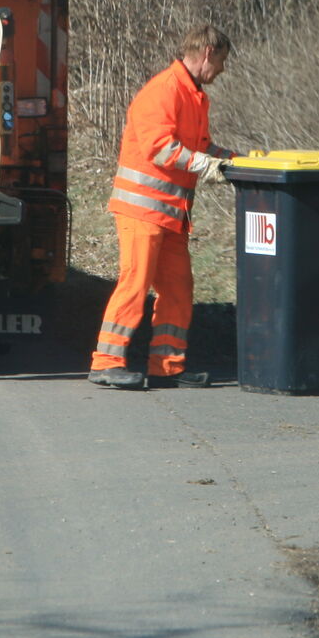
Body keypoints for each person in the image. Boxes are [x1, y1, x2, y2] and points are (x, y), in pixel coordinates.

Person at [89, 25, 236, 390]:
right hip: (143, 212)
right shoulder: (164, 90)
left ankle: (167, 366)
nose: (222, 69)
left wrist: (234, 162)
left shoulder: (193, 96)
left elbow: (200, 146)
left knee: (179, 289)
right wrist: (206, 166)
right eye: (221, 61)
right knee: (134, 284)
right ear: (206, 54)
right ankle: (106, 362)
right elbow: (161, 148)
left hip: (170, 215)